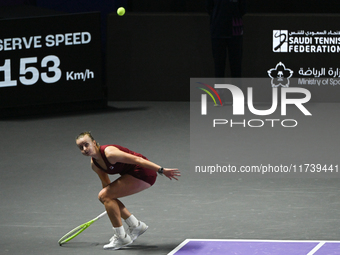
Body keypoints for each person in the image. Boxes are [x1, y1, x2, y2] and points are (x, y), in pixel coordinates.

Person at [75, 131, 180, 250]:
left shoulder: (110, 153)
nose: (84, 149)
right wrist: (109, 202)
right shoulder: (95, 165)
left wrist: (161, 170)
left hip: (144, 172)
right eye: (81, 147)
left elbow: (138, 160)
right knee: (104, 196)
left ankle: (121, 237)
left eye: (86, 144)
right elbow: (106, 184)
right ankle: (136, 226)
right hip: (130, 175)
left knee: (105, 196)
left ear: (94, 143)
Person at [206, 0, 247, 78]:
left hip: (221, 29)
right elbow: (243, 9)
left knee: (226, 68)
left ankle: (232, 89)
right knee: (231, 67)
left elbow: (243, 9)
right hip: (226, 30)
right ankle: (227, 89)